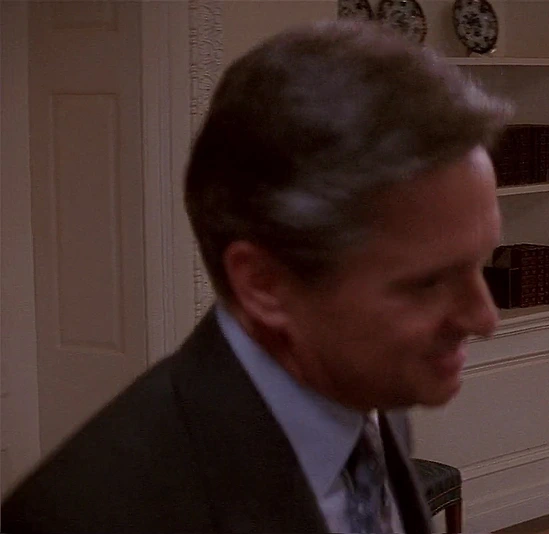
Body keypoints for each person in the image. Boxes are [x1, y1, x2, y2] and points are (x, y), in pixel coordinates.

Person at [1, 19, 511, 533]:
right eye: (426, 283)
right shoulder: (84, 515)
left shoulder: (368, 389)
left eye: (479, 262)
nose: (485, 318)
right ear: (265, 285)